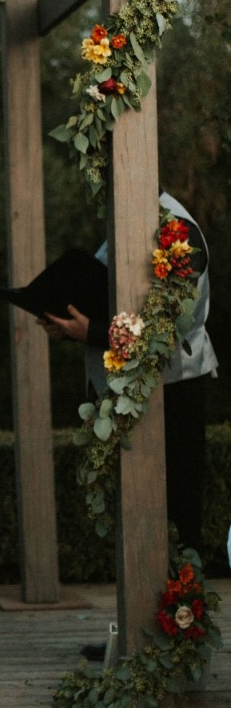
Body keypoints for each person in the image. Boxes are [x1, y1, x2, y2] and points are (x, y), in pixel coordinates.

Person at [39, 191, 218, 552]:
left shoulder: (178, 228)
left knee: (178, 515)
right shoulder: (125, 225)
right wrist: (71, 324)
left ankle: (180, 604)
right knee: (140, 516)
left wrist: (90, 330)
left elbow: (166, 327)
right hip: (131, 391)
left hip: (174, 387)